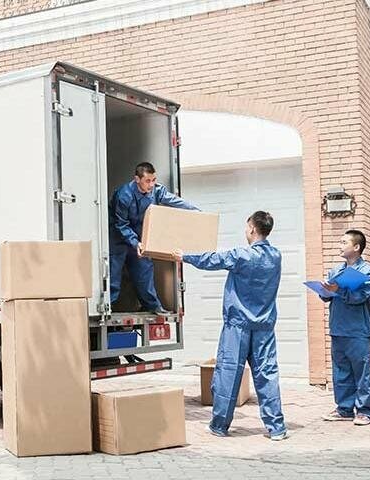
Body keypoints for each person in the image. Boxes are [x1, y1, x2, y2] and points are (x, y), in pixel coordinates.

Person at [171, 211, 287, 441]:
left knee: (229, 373)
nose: (245, 231)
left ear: (252, 228)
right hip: (264, 326)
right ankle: (277, 428)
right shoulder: (276, 256)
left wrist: (184, 256)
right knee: (267, 374)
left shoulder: (242, 255)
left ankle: (219, 425)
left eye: (246, 226)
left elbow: (213, 260)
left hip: (238, 326)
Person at [110, 161, 198, 315]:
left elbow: (174, 201)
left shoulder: (156, 191)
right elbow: (121, 224)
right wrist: (135, 242)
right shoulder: (124, 195)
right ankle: (108, 306)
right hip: (119, 237)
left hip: (139, 236)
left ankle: (152, 306)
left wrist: (195, 211)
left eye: (153, 180)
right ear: (137, 179)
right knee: (114, 273)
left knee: (144, 270)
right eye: (147, 181)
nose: (151, 184)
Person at [320, 230, 370, 426]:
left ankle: (364, 411)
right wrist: (325, 290)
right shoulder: (336, 271)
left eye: (344, 242)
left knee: (361, 372)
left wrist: (339, 290)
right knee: (341, 372)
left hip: (358, 330)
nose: (340, 245)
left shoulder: (368, 272)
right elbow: (327, 297)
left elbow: (360, 297)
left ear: (356, 247)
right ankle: (344, 409)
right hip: (338, 328)